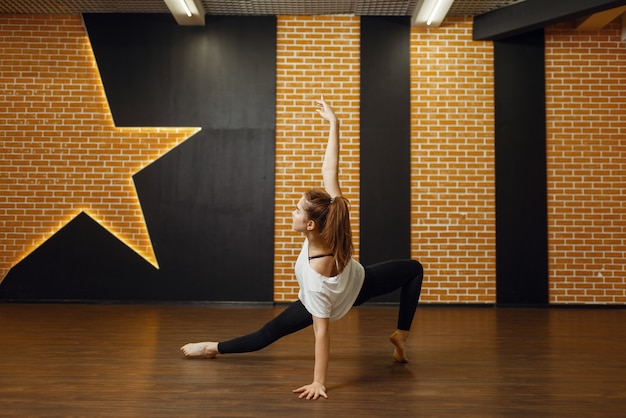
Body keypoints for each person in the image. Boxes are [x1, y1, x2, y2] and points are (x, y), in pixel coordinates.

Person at [181, 96, 424, 400]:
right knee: (413, 269)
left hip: (350, 289)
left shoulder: (316, 276)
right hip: (360, 284)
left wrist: (318, 382)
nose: (292, 212)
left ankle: (400, 336)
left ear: (310, 225)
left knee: (266, 335)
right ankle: (212, 348)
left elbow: (322, 333)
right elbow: (329, 171)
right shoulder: (336, 218)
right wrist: (334, 124)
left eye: (297, 211)